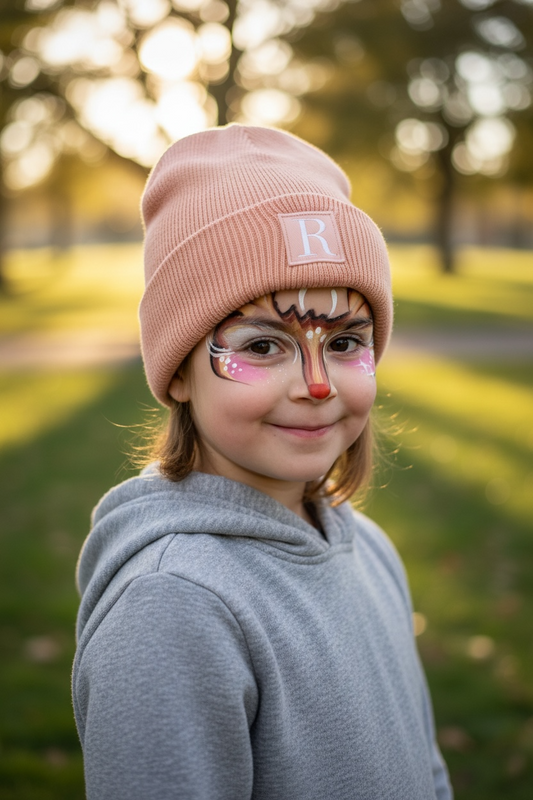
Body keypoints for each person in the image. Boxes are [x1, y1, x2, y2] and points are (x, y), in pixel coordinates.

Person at [72, 124, 453, 800]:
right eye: (261, 346)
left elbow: (426, 773)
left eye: (343, 342)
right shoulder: (173, 605)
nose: (315, 384)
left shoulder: (367, 546)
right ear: (179, 371)